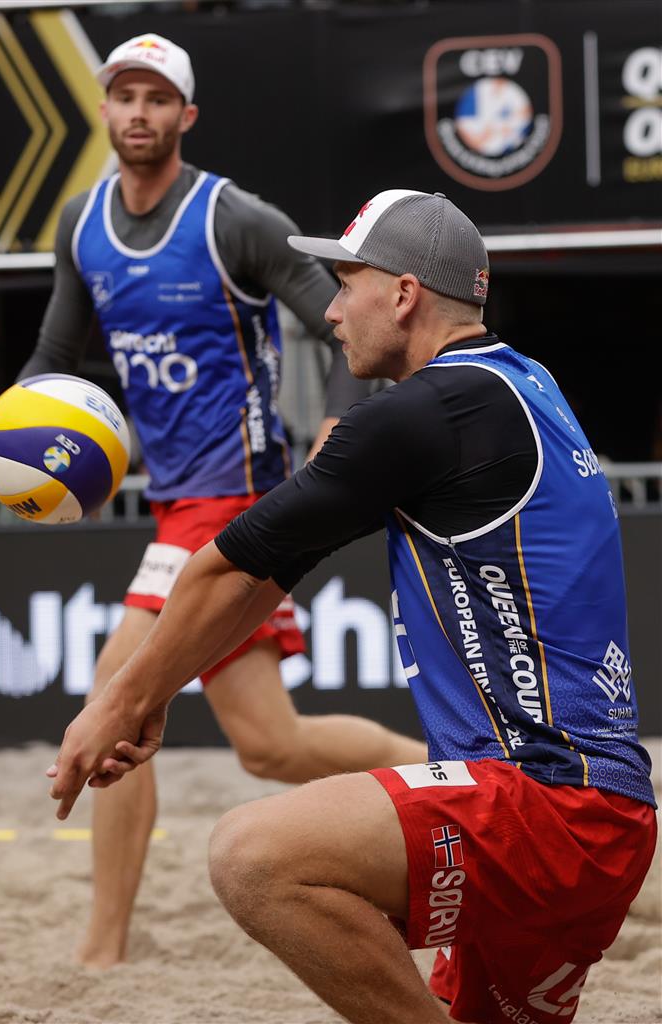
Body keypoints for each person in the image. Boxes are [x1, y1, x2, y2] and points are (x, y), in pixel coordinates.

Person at [47, 188, 657, 1022]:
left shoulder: (426, 412)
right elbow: (267, 572)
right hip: (593, 813)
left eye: (346, 285)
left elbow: (226, 569)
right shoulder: (522, 384)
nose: (330, 313)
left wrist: (119, 702)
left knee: (253, 857)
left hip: (542, 810)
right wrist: (152, 693)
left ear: (404, 295)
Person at [0, 35, 426, 969]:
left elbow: (340, 320)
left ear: (186, 115)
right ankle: (457, 776)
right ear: (103, 110)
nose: (139, 112)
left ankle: (102, 949)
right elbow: (53, 358)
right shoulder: (82, 223)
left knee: (114, 697)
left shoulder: (230, 218)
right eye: (125, 96)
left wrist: (338, 421)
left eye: (157, 98)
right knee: (270, 746)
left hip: (243, 495)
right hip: (177, 504)